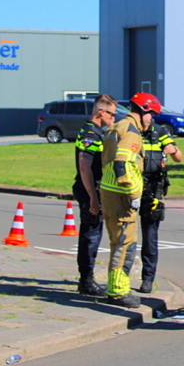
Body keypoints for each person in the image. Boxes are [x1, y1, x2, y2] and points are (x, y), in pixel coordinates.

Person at [99, 92, 160, 308]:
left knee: (117, 243)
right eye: (151, 114)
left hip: (108, 193)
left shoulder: (117, 126)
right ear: (143, 111)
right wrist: (133, 194)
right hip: (122, 197)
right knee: (125, 245)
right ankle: (118, 292)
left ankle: (115, 288)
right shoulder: (131, 132)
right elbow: (122, 164)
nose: (151, 120)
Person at [72, 94, 117, 297]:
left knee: (94, 234)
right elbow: (84, 166)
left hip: (97, 189)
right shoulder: (90, 133)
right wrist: (93, 197)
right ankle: (86, 281)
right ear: (101, 112)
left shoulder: (98, 132)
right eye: (112, 114)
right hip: (90, 190)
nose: (113, 118)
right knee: (90, 235)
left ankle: (87, 279)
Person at [136, 117, 182, 294]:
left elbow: (178, 157)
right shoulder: (131, 131)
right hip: (131, 188)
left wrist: (173, 149)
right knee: (126, 237)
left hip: (152, 190)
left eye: (148, 114)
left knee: (150, 236)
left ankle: (148, 279)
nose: (145, 118)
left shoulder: (160, 131)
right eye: (142, 114)